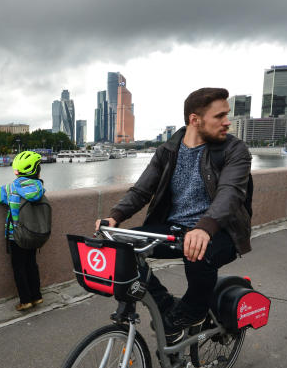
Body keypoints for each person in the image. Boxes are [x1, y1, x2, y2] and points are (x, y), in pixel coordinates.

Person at [96, 87, 252, 343]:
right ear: (195, 119)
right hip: (175, 229)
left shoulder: (235, 151)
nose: (227, 122)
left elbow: (230, 194)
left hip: (222, 230)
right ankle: (166, 305)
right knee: (119, 247)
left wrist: (205, 227)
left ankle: (192, 313)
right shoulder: (168, 150)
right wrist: (115, 216)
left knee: (198, 252)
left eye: (228, 115)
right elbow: (141, 190)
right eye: (220, 116)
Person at [0, 151, 45, 311]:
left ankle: (25, 301)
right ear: (36, 171)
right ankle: (37, 296)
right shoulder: (40, 188)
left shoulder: (10, 189)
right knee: (31, 264)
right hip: (33, 234)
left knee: (19, 268)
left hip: (16, 236)